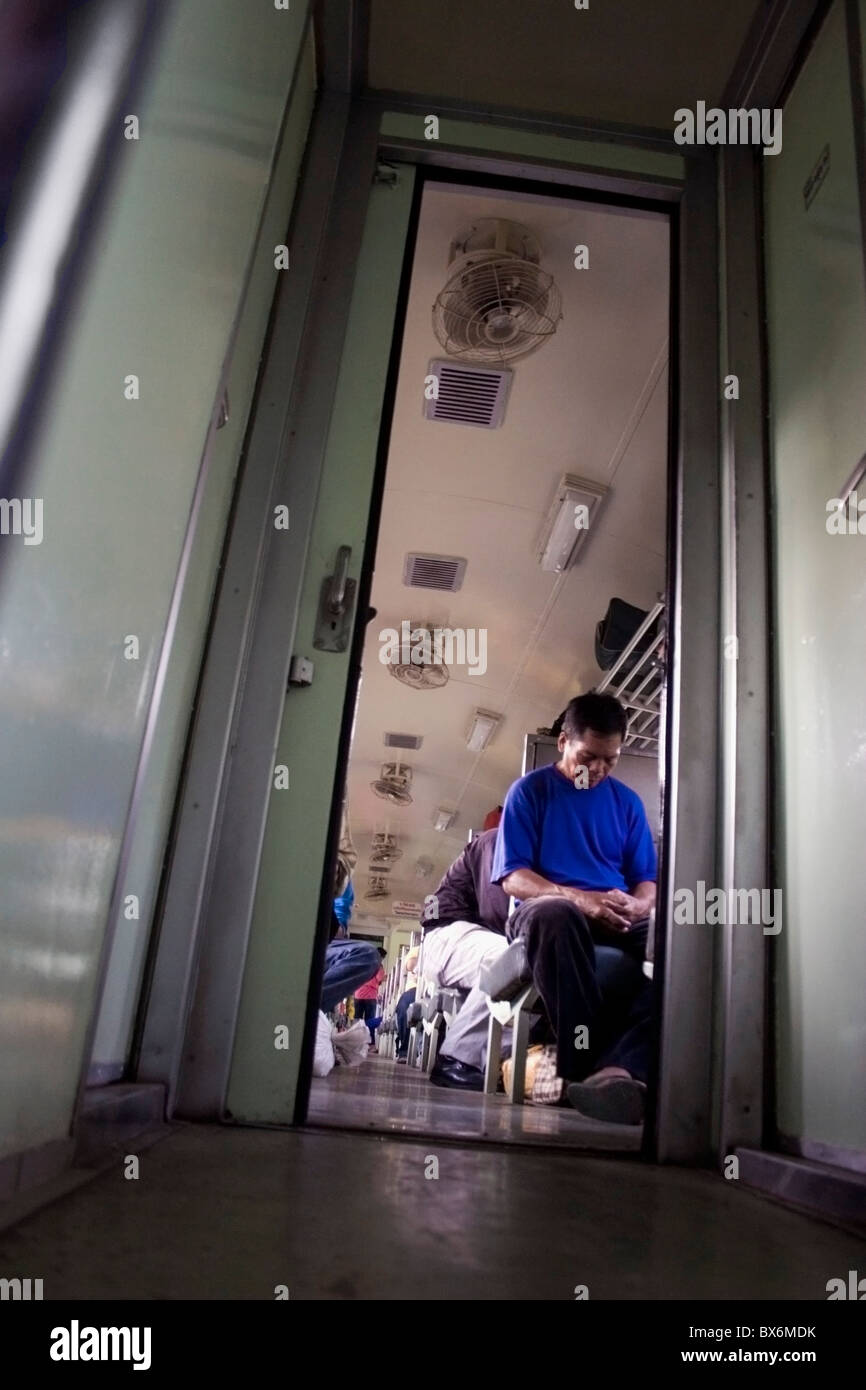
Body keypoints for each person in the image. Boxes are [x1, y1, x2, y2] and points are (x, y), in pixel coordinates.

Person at [491, 691, 657, 1123]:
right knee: (557, 914)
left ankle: (619, 1068)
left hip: (614, 910)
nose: (598, 769)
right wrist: (580, 899)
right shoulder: (531, 792)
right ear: (563, 741)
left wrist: (639, 906)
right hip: (547, 908)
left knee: (679, 938)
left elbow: (647, 882)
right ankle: (581, 1064)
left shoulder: (627, 804)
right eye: (589, 757)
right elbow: (514, 879)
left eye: (610, 760)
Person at [421, 819, 513, 1091]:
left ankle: (493, 1064)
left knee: (535, 964)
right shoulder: (496, 841)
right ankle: (456, 1060)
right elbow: (497, 912)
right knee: (514, 957)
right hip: (446, 934)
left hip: (473, 939)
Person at [354, 948, 387, 1050]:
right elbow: (380, 978)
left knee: (357, 1019)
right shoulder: (378, 965)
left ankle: (355, 1042)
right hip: (370, 995)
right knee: (370, 1021)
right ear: (381, 956)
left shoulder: (363, 962)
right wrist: (385, 977)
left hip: (358, 994)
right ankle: (371, 1043)